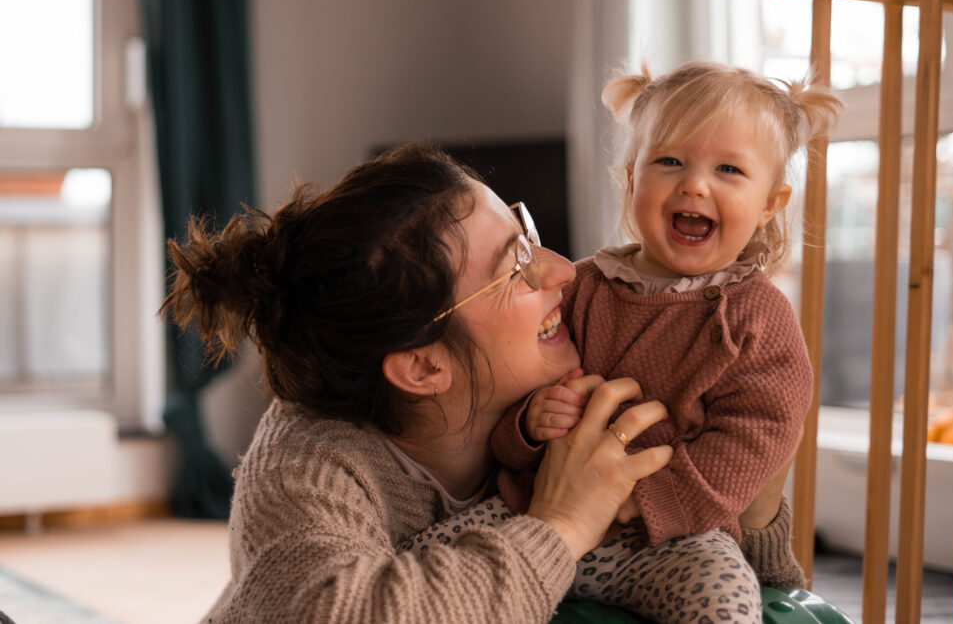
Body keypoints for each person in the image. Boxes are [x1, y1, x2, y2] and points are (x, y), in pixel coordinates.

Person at [161, 141, 679, 623]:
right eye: (516, 264)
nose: (564, 271)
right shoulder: (305, 469)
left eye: (528, 236)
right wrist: (561, 527)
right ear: (424, 368)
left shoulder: (570, 365)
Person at [491, 61, 842, 603]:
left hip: (669, 542)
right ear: (632, 179)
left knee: (725, 600)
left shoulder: (757, 316)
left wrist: (645, 498)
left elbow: (754, 435)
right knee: (433, 553)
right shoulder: (580, 285)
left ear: (770, 205)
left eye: (728, 170)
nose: (695, 183)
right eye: (670, 160)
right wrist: (529, 426)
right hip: (538, 518)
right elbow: (515, 376)